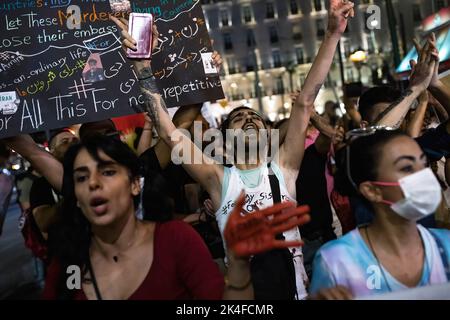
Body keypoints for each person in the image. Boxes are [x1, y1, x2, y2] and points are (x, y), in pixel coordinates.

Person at [111, 0, 355, 299]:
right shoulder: (219, 179)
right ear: (225, 145)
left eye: (255, 118)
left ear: (269, 134)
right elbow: (169, 131)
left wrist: (332, 34)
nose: (250, 119)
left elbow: (305, 102)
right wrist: (142, 67)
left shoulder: (283, 169)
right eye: (239, 119)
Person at [42, 135, 309, 299]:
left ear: (135, 185)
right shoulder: (70, 263)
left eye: (108, 172)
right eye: (81, 177)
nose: (93, 183)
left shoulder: (174, 241)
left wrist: (238, 266)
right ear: (75, 196)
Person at [310, 129, 450, 299]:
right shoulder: (336, 260)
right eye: (407, 168)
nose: (423, 176)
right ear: (372, 191)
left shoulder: (446, 245)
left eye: (424, 164)